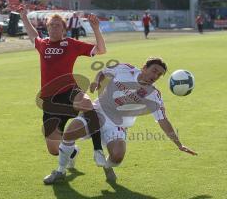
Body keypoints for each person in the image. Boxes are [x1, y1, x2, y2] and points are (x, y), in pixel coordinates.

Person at [43, 57, 197, 184]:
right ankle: (60, 171)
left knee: (117, 156)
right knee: (69, 133)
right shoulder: (125, 69)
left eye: (159, 75)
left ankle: (107, 166)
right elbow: (103, 72)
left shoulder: (153, 95)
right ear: (144, 67)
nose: (155, 76)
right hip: (98, 111)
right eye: (154, 71)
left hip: (118, 124)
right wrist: (97, 81)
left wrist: (179, 144)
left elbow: (163, 120)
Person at [18, 5, 107, 171]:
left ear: (64, 29)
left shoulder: (71, 44)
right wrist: (24, 17)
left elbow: (101, 50)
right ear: (47, 28)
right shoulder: (42, 44)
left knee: (87, 104)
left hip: (69, 92)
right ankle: (72, 152)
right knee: (53, 150)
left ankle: (98, 150)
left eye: (57, 25)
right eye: (51, 25)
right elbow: (33, 35)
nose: (53, 27)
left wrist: (96, 28)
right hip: (50, 101)